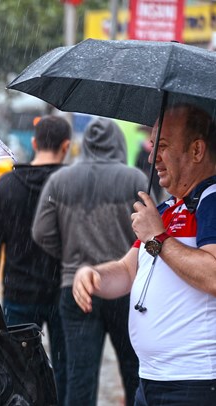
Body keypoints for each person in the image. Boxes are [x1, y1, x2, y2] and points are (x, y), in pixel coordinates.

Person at [73, 104, 216, 406]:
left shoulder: (211, 200)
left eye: (162, 146)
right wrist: (95, 276)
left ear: (197, 150)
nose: (152, 158)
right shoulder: (168, 208)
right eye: (152, 147)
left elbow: (213, 275)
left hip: (195, 383)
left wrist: (157, 236)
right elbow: (128, 271)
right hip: (152, 380)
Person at [32, 117, 145, 406]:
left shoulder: (61, 180)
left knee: (80, 376)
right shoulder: (134, 179)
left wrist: (70, 256)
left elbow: (40, 232)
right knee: (135, 372)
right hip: (126, 289)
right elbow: (152, 230)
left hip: (76, 288)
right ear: (118, 144)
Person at [0, 114, 71, 405]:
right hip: (64, 292)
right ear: (66, 146)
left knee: (17, 374)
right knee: (65, 370)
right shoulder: (69, 185)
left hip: (18, 291)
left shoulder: (7, 184)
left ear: (34, 143)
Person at [135, 124, 165, 202]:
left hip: (158, 185)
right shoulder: (142, 152)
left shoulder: (161, 153)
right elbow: (137, 168)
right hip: (144, 186)